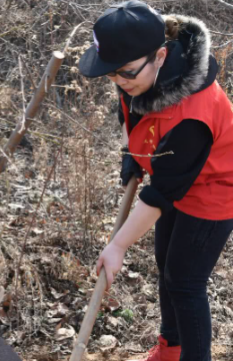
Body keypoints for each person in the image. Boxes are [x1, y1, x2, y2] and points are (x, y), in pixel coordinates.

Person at [78, 1, 233, 361]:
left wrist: (118, 246)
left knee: (185, 283)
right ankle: (170, 349)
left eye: (126, 73)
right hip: (176, 175)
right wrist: (132, 155)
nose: (119, 81)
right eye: (111, 74)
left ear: (161, 56)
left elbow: (161, 192)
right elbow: (128, 110)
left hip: (216, 188)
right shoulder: (135, 74)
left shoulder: (192, 116)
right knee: (167, 267)